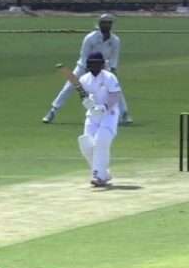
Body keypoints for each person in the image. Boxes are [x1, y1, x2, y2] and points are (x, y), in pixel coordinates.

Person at [43, 14, 132, 125]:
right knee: (69, 87)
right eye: (104, 23)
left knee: (115, 88)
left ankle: (124, 114)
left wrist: (113, 71)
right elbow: (84, 56)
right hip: (83, 67)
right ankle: (53, 111)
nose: (106, 25)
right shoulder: (90, 38)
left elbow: (114, 58)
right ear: (99, 24)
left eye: (109, 23)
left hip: (103, 67)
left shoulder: (115, 40)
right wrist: (88, 72)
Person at [76, 53, 122, 187]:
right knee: (86, 143)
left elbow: (115, 94)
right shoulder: (84, 79)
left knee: (101, 141)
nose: (94, 66)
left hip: (109, 115)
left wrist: (105, 106)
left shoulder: (109, 77)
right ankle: (103, 172)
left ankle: (99, 176)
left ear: (102, 64)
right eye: (92, 63)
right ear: (88, 65)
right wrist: (87, 103)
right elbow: (83, 95)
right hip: (92, 115)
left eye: (97, 63)